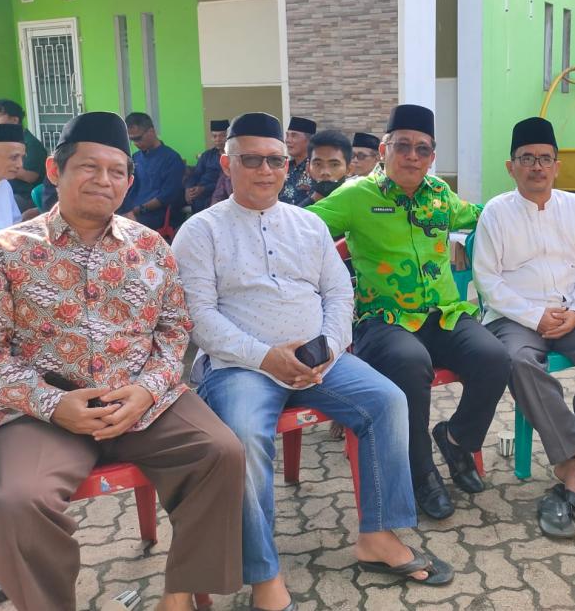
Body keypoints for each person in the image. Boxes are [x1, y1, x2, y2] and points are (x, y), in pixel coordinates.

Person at [173, 113, 452, 610]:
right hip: (240, 367)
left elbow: (339, 294)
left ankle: (378, 536)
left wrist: (328, 348)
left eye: (275, 160)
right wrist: (266, 357)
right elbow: (199, 318)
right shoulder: (200, 232)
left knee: (388, 401)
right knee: (243, 439)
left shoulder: (308, 224)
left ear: (289, 165)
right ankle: (263, 575)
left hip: (319, 360)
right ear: (226, 163)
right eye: (250, 160)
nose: (264, 170)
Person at [0, 111, 245, 611]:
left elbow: (174, 331)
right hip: (44, 411)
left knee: (222, 453)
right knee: (19, 498)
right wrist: (53, 404)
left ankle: (179, 596)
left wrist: (148, 390)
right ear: (54, 171)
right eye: (88, 167)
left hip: (140, 398)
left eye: (116, 171)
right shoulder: (5, 253)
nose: (103, 181)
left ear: (130, 182)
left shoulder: (151, 247)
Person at [310, 104, 510, 520]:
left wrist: (527, 207)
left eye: (422, 149)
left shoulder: (440, 194)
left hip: (443, 313)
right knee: (410, 362)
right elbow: (301, 228)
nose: (412, 156)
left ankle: (456, 440)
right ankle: (421, 472)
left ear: (432, 156)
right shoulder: (356, 195)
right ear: (384, 149)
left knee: (494, 357)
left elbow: (482, 217)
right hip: (384, 320)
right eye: (403, 146)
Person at [473, 117, 575, 538]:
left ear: (557, 166)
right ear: (511, 167)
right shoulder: (496, 212)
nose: (536, 166)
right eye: (526, 158)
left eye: (544, 158)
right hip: (515, 318)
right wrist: (534, 316)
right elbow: (487, 281)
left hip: (571, 312)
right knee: (518, 362)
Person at [123, 112, 186, 230]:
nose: (135, 143)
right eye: (131, 140)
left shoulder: (171, 158)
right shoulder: (135, 158)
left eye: (138, 138)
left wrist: (138, 210)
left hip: (156, 214)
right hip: (131, 211)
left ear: (151, 131)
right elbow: (127, 188)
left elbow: (168, 196)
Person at [0, 100, 46, 213]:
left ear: (14, 120)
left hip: (24, 195)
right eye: (13, 157)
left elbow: (30, 177)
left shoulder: (32, 144)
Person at [299, 129, 352, 206]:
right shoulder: (299, 212)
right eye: (318, 164)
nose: (325, 172)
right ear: (308, 169)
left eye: (334, 165)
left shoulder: (361, 208)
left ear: (348, 169)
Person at [185, 119, 228, 213]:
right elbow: (195, 174)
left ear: (228, 136)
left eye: (222, 136)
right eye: (214, 136)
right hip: (199, 193)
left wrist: (204, 189)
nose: (218, 139)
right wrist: (188, 189)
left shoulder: (233, 157)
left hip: (218, 194)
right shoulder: (207, 155)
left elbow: (226, 183)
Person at [0, 124, 24, 229]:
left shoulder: (4, 185)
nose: (20, 165)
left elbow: (15, 224)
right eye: (14, 157)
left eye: (22, 158)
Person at [279, 116, 316, 205]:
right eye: (287, 135)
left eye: (294, 135)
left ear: (309, 140)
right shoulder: (284, 167)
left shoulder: (316, 168)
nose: (288, 140)